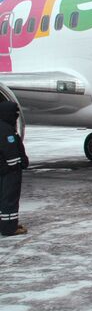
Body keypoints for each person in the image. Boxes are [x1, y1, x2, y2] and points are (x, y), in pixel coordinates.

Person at [0, 101, 29, 237]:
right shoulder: (5, 130)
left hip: (8, 170)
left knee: (5, 198)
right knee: (9, 199)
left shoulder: (5, 127)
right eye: (14, 114)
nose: (16, 117)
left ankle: (6, 224)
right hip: (10, 172)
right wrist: (14, 165)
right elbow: (8, 151)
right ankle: (9, 228)